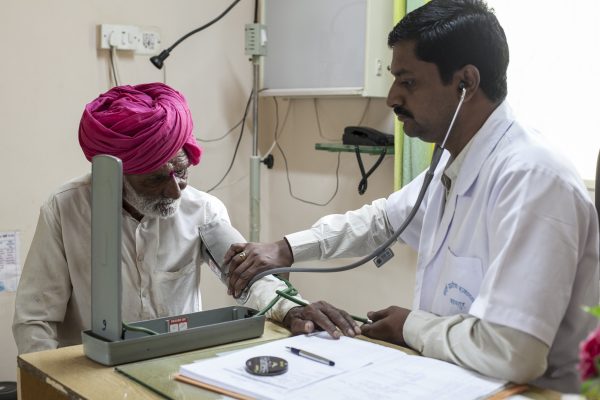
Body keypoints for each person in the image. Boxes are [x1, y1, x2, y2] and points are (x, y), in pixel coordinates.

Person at [224, 0, 600, 393]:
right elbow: (384, 221)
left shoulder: (532, 179)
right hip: (454, 380)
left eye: (408, 81)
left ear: (465, 84)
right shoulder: (456, 162)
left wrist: (410, 326)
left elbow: (515, 352)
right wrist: (286, 249)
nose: (391, 98)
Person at [12, 83, 357, 354]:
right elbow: (35, 319)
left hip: (175, 365)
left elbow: (249, 277)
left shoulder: (202, 211)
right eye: (154, 180)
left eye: (181, 172)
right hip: (91, 375)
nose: (175, 191)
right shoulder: (65, 209)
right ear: (114, 176)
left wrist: (292, 308)